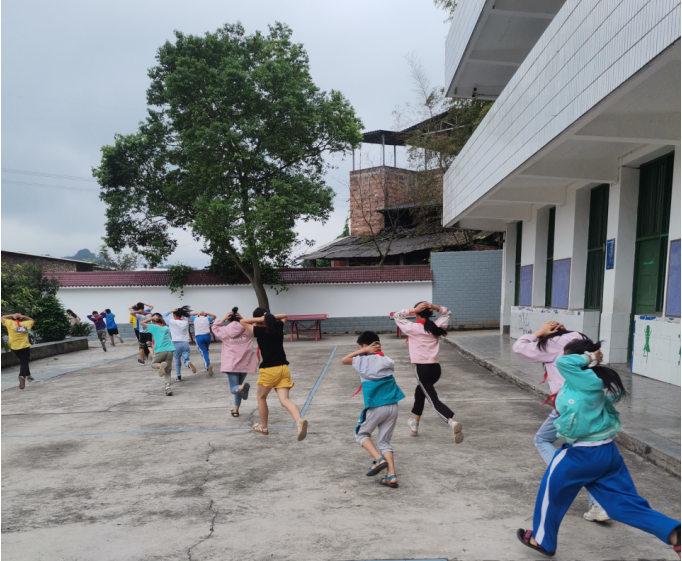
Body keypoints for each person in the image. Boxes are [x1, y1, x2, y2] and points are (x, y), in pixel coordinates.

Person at [517, 337, 681, 558]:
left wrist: (592, 355)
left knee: (551, 496)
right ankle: (675, 535)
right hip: (607, 454)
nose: (562, 359)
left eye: (566, 354)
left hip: (581, 455)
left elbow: (565, 364)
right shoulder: (588, 380)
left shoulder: (585, 379)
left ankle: (542, 540)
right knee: (622, 505)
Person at [513, 320, 609, 522]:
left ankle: (566, 473)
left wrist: (538, 332)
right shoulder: (581, 339)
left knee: (542, 440)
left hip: (568, 407)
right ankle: (599, 504)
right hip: (591, 404)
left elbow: (519, 348)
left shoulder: (553, 344)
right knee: (586, 454)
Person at [341, 331, 405, 489]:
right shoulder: (387, 360)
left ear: (364, 346)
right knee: (384, 442)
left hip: (376, 406)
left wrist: (363, 351)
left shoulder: (363, 361)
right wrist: (371, 350)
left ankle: (379, 459)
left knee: (361, 434)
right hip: (393, 406)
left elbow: (344, 360)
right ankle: (391, 476)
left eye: (360, 347)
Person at [393, 301, 462, 443]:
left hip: (422, 369)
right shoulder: (436, 325)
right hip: (436, 369)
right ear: (430, 313)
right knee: (420, 392)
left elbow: (397, 315)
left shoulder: (413, 328)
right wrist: (436, 307)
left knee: (432, 399)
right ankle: (415, 423)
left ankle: (451, 421)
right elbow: (447, 312)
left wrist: (412, 310)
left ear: (416, 313)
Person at [240, 308, 308, 440]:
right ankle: (299, 421)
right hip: (283, 368)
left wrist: (260, 320)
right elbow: (284, 316)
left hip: (269, 370)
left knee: (261, 397)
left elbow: (242, 321)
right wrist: (268, 317)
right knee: (285, 400)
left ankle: (264, 427)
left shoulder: (259, 331)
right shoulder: (277, 326)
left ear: (259, 320)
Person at [212, 307, 256, 417]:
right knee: (238, 387)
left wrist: (222, 318)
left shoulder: (224, 331)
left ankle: (241, 389)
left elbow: (214, 327)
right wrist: (243, 319)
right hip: (245, 363)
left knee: (235, 389)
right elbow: (256, 325)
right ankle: (235, 410)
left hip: (231, 364)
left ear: (228, 320)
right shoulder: (247, 330)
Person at [140, 313, 175, 396]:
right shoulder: (166, 328)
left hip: (160, 350)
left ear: (153, 321)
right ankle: (168, 388)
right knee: (167, 371)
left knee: (153, 364)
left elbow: (142, 323)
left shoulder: (154, 327)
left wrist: (152, 318)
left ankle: (160, 366)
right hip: (170, 350)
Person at [1, 313, 36, 389]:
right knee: (24, 362)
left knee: (23, 361)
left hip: (14, 347)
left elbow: (2, 318)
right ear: (22, 319)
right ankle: (22, 375)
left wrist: (12, 315)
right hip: (24, 346)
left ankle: (28, 376)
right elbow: (32, 320)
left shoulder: (10, 323)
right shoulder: (26, 323)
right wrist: (23, 316)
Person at [162, 306, 196, 381]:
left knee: (177, 360)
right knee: (186, 359)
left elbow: (163, 315)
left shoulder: (171, 322)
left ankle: (178, 376)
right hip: (185, 343)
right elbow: (188, 315)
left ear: (174, 315)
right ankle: (188, 363)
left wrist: (171, 310)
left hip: (176, 343)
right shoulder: (185, 322)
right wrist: (182, 311)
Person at [192, 311, 217, 376]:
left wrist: (197, 313)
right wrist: (207, 313)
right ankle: (207, 362)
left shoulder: (195, 318)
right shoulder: (207, 318)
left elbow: (188, 315)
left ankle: (208, 365)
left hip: (199, 337)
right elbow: (214, 316)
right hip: (207, 336)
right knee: (206, 350)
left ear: (199, 315)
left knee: (203, 352)